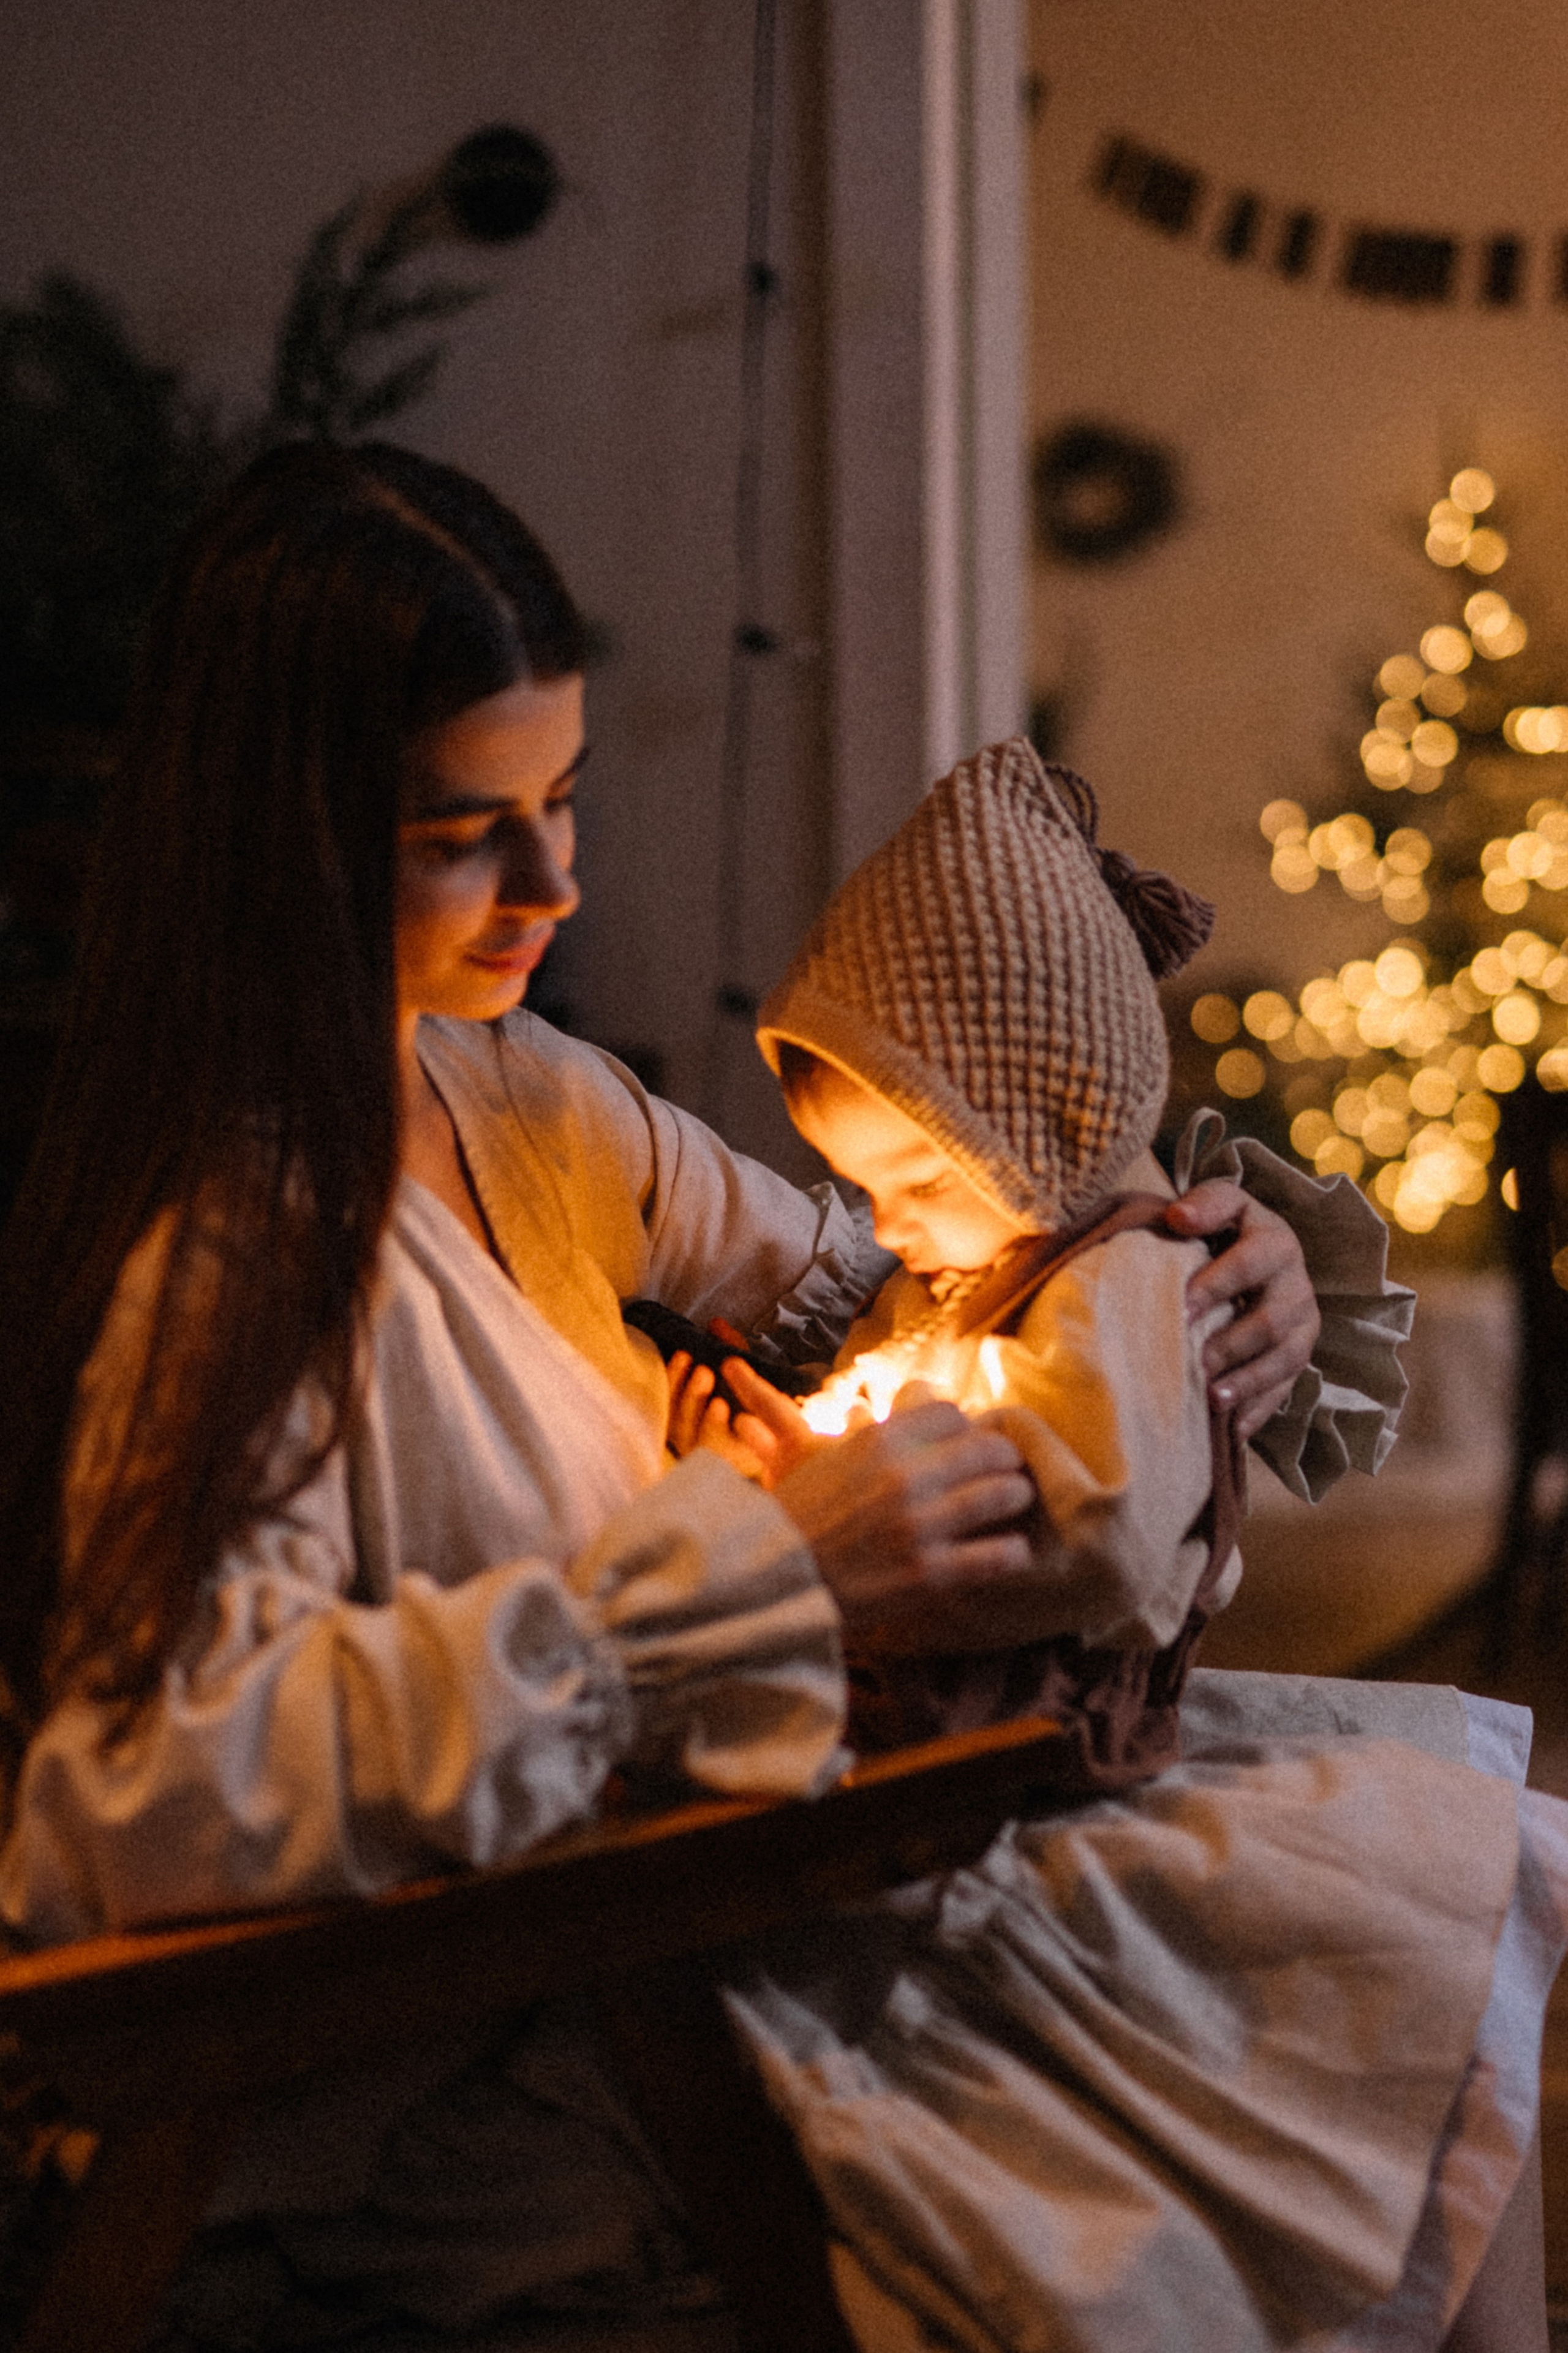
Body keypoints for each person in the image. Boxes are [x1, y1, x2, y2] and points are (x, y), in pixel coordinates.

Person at [0, 439, 1540, 2352]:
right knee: (1400, 2009)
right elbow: (137, 1802)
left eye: (561, 799)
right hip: (513, 2027)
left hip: (711, 1883)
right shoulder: (231, 1253)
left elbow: (903, 1290)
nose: (556, 878)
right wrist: (755, 1573)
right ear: (286, 838)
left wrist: (1173, 1275)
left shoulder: (522, 1097)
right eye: (467, 829)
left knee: (1458, 1921)